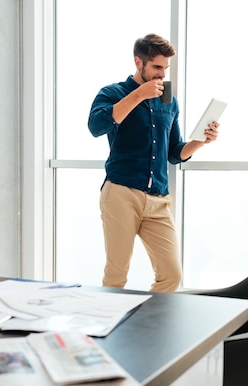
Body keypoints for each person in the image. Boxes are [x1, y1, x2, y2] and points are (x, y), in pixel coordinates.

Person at [88, 33, 219, 292]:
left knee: (171, 275)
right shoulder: (113, 92)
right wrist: (138, 95)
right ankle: (110, 329)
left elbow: (174, 152)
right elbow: (95, 126)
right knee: (116, 277)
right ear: (139, 62)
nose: (162, 74)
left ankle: (144, 328)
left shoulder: (169, 101)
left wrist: (201, 141)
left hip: (158, 199)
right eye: (157, 67)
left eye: (165, 68)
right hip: (121, 193)